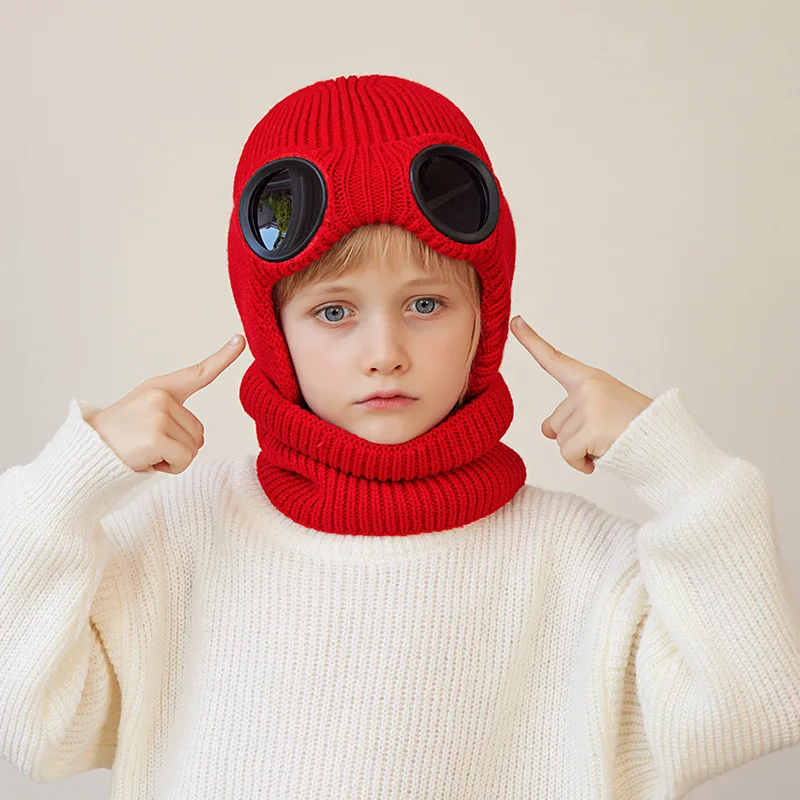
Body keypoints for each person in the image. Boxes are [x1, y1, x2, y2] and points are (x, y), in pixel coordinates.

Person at [1, 73, 799, 800]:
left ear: (484, 315)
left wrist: (683, 472)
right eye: (334, 311)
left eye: (425, 303)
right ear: (269, 330)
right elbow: (31, 727)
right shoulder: (178, 544)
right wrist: (62, 490)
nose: (384, 352)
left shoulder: (581, 571)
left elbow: (757, 708)